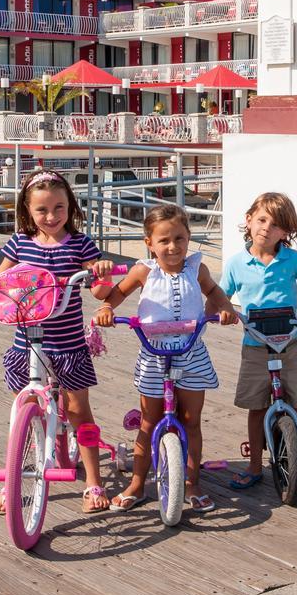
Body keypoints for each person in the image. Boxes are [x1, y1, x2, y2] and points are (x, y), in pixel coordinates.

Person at [0, 170, 115, 515]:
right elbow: (1, 279)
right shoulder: (20, 242)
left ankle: (93, 480)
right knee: (23, 412)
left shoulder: (80, 244)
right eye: (42, 210)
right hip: (27, 342)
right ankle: (15, 476)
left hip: (68, 344)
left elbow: (100, 290)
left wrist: (100, 272)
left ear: (71, 207)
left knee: (79, 412)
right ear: (27, 211)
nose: (51, 216)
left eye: (59, 208)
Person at [94, 205, 236, 512]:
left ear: (189, 238)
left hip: (191, 352)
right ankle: (137, 483)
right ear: (149, 242)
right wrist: (107, 310)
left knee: (191, 421)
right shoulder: (144, 271)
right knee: (149, 422)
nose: (173, 246)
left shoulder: (197, 268)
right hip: (154, 355)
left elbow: (214, 291)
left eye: (180, 238)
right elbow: (116, 295)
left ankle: (191, 483)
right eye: (164, 240)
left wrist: (224, 307)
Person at [220, 192, 297, 491]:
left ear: (286, 232)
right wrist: (223, 311)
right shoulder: (236, 263)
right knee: (256, 406)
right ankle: (255, 465)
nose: (266, 229)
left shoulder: (291, 259)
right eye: (261, 220)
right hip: (256, 344)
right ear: (248, 220)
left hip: (290, 342)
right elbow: (221, 296)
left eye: (276, 225)